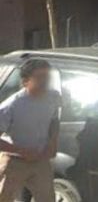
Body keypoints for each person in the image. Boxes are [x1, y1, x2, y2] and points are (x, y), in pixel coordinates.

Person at [0, 59, 60, 202]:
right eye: (39, 77)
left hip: (41, 159)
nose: (44, 81)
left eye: (47, 77)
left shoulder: (53, 97)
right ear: (25, 81)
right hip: (15, 160)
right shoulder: (12, 106)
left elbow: (54, 120)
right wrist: (21, 151)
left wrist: (53, 142)